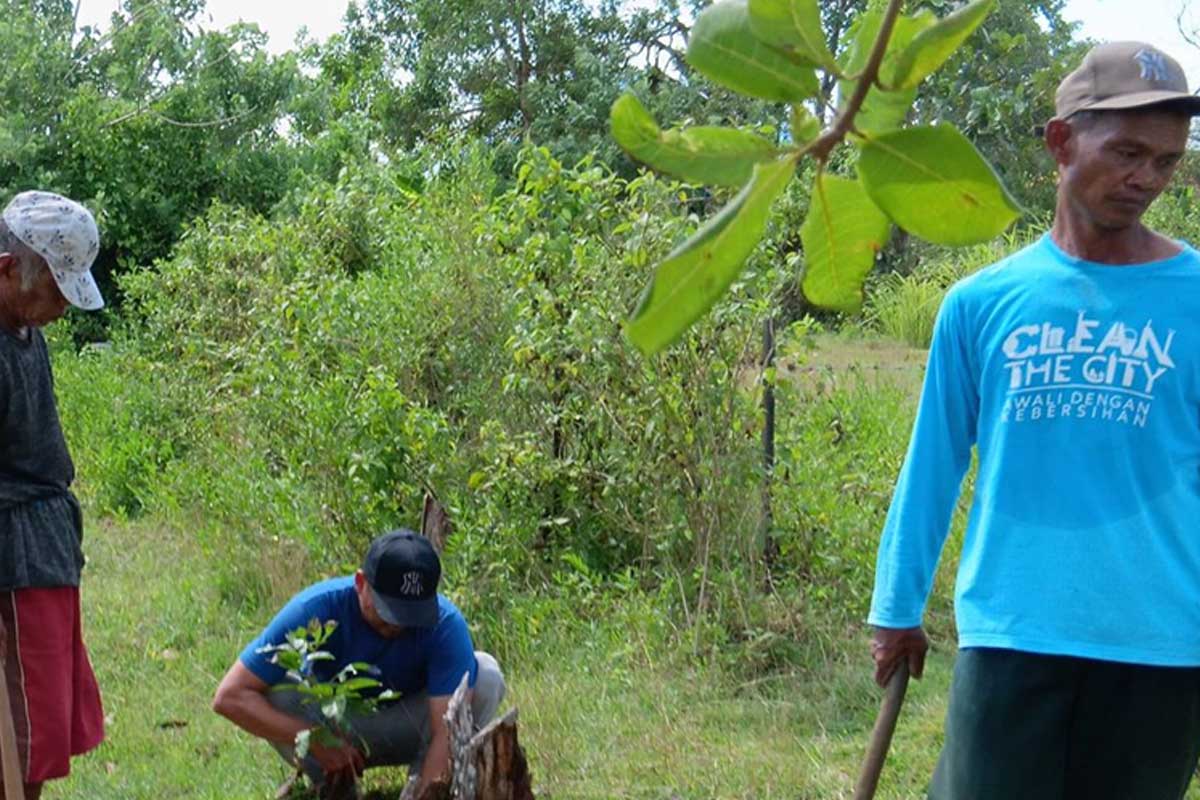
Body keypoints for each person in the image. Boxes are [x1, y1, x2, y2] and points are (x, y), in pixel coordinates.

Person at [868, 41, 1200, 799]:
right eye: (1126, 152)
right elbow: (933, 465)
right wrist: (897, 607)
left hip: (1162, 646)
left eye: (1166, 160)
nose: (1147, 179)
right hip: (1012, 634)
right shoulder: (981, 305)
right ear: (1060, 142)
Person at [213, 529, 505, 799]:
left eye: (411, 614)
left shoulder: (445, 624)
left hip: (407, 726)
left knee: (486, 676)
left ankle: (422, 787)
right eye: (388, 610)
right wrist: (313, 740)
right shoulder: (316, 607)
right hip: (334, 727)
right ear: (361, 583)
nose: (398, 624)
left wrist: (427, 793)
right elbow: (229, 696)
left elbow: (446, 731)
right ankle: (332, 786)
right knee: (272, 691)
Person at [0, 191, 107, 799]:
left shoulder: (22, 322)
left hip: (44, 553)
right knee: (17, 740)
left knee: (39, 737)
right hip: (12, 563)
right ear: (8, 269)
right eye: (55, 290)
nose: (63, 307)